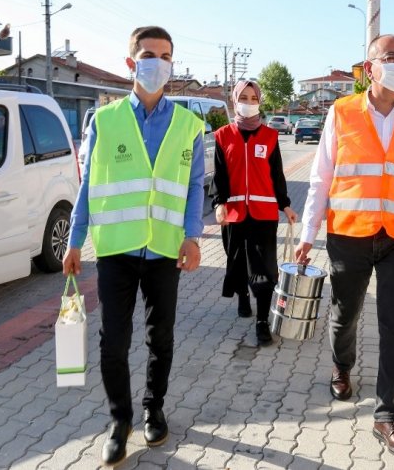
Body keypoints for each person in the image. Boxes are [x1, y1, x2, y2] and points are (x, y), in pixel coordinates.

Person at [295, 34, 394, 460]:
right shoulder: (341, 111)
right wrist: (308, 234)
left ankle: (387, 416)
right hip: (349, 235)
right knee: (345, 315)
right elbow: (321, 178)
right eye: (391, 57)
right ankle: (342, 367)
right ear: (370, 67)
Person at [62, 26, 205, 466]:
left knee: (160, 337)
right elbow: (88, 186)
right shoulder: (102, 121)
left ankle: (153, 408)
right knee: (114, 342)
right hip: (116, 251)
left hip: (163, 249)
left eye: (165, 56)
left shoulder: (189, 124)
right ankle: (120, 421)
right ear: (131, 63)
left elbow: (195, 184)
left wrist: (193, 235)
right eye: (148, 54)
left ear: (172, 65)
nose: (157, 62)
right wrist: (74, 241)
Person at [211, 80, 298, 345]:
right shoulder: (223, 136)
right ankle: (242, 296)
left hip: (264, 214)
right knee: (236, 261)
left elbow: (277, 175)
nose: (248, 103)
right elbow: (220, 175)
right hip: (234, 215)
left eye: (253, 98)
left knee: (264, 267)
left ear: (259, 101)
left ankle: (262, 322)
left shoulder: (271, 137)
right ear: (235, 100)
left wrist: (285, 204)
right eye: (243, 98)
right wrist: (219, 203)